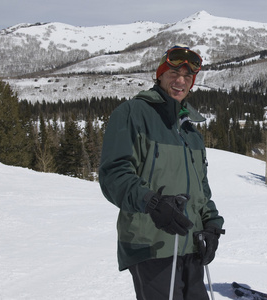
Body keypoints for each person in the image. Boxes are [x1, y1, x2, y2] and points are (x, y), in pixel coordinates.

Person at [99, 44, 225, 300]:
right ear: (159, 75)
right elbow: (114, 175)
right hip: (151, 244)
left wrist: (211, 223)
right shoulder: (132, 114)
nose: (180, 81)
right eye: (173, 74)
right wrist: (153, 203)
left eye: (187, 77)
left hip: (190, 244)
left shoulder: (191, 131)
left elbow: (201, 188)